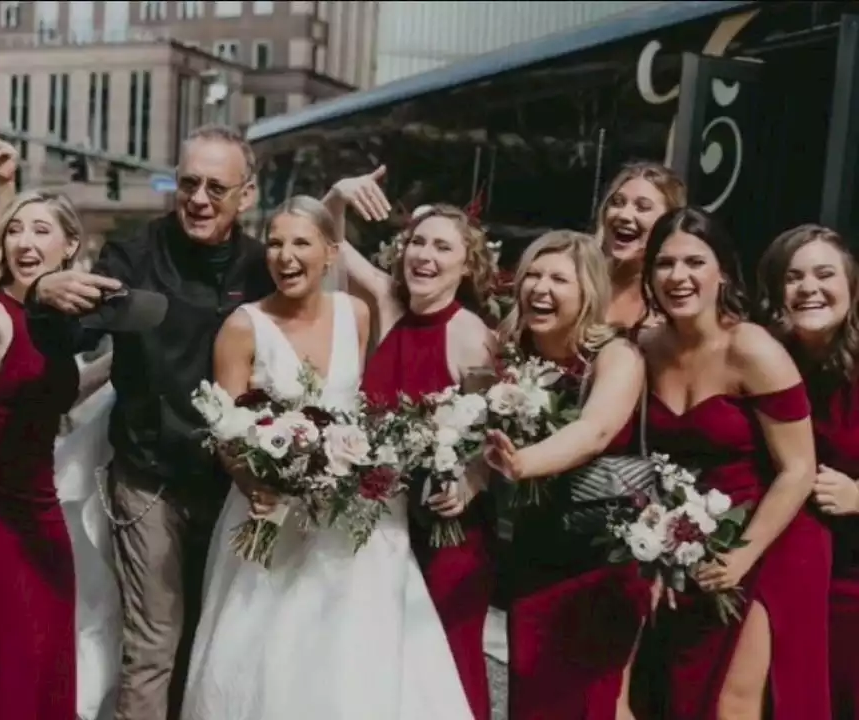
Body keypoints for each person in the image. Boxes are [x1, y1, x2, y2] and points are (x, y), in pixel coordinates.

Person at [180, 195, 471, 720]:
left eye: (300, 243)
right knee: (268, 655)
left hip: (355, 523)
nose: (285, 256)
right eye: (274, 243)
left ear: (330, 253)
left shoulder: (357, 314)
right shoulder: (242, 327)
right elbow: (226, 430)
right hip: (272, 516)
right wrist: (257, 485)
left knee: (357, 656)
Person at [25, 124, 274, 720]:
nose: (199, 199)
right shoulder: (132, 256)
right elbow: (74, 334)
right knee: (153, 644)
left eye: (218, 187)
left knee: (218, 641)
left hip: (235, 483)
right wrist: (44, 292)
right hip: (149, 478)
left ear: (248, 195)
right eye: (189, 183)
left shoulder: (264, 267)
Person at [639, 207, 828, 718]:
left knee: (732, 703)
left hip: (771, 537)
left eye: (695, 262)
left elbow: (798, 468)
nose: (678, 277)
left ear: (722, 271)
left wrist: (741, 554)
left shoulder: (753, 349)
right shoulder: (645, 348)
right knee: (677, 694)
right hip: (690, 541)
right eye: (664, 264)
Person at [324, 168, 497, 719]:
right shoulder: (388, 305)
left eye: (442, 246)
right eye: (417, 242)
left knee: (446, 658)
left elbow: (496, 429)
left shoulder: (471, 334)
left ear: (466, 264)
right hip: (379, 527)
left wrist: (472, 480)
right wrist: (337, 196)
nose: (424, 254)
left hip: (446, 529)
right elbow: (326, 241)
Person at [482, 230, 651, 719]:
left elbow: (595, 431)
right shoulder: (511, 355)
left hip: (599, 560)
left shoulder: (616, 355)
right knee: (532, 700)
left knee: (590, 704)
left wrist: (523, 463)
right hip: (534, 556)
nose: (540, 287)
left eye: (558, 278)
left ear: (587, 293)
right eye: (532, 274)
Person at [0, 183, 92, 718]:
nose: (24, 242)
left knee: (51, 660)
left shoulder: (58, 324)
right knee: (13, 661)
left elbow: (62, 389)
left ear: (70, 247)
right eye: (14, 230)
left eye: (40, 230)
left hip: (40, 514)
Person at [757, 224, 856, 718]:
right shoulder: (771, 360)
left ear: (851, 285)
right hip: (787, 563)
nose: (809, 288)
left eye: (824, 274)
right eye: (794, 277)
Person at [595, 162, 686, 331]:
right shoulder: (582, 280)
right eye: (617, 202)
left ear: (669, 221)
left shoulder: (678, 294)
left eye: (642, 207)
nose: (624, 215)